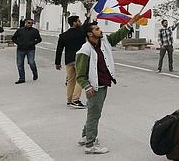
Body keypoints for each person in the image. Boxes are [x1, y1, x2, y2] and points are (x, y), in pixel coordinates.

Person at [75, 14, 140, 154]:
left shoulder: (104, 42)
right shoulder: (84, 50)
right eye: (97, 29)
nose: (100, 30)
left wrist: (131, 22)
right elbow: (80, 74)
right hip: (94, 87)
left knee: (93, 112)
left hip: (103, 84)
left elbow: (118, 35)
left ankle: (85, 136)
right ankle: (90, 145)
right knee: (94, 114)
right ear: (90, 33)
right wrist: (87, 86)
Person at [55, 15, 88, 108]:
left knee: (70, 80)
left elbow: (59, 50)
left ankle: (69, 100)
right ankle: (75, 100)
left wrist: (57, 63)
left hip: (69, 60)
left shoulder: (63, 35)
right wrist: (89, 19)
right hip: (80, 59)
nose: (80, 22)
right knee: (80, 79)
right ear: (74, 23)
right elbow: (86, 27)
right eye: (78, 21)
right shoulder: (81, 32)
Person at [11, 18, 42, 84]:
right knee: (20, 64)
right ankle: (22, 78)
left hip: (30, 49)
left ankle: (35, 72)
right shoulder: (20, 30)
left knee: (31, 62)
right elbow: (13, 38)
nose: (30, 24)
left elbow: (39, 39)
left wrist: (33, 43)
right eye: (29, 23)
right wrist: (18, 43)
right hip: (20, 49)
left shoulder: (35, 31)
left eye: (31, 23)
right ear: (25, 22)